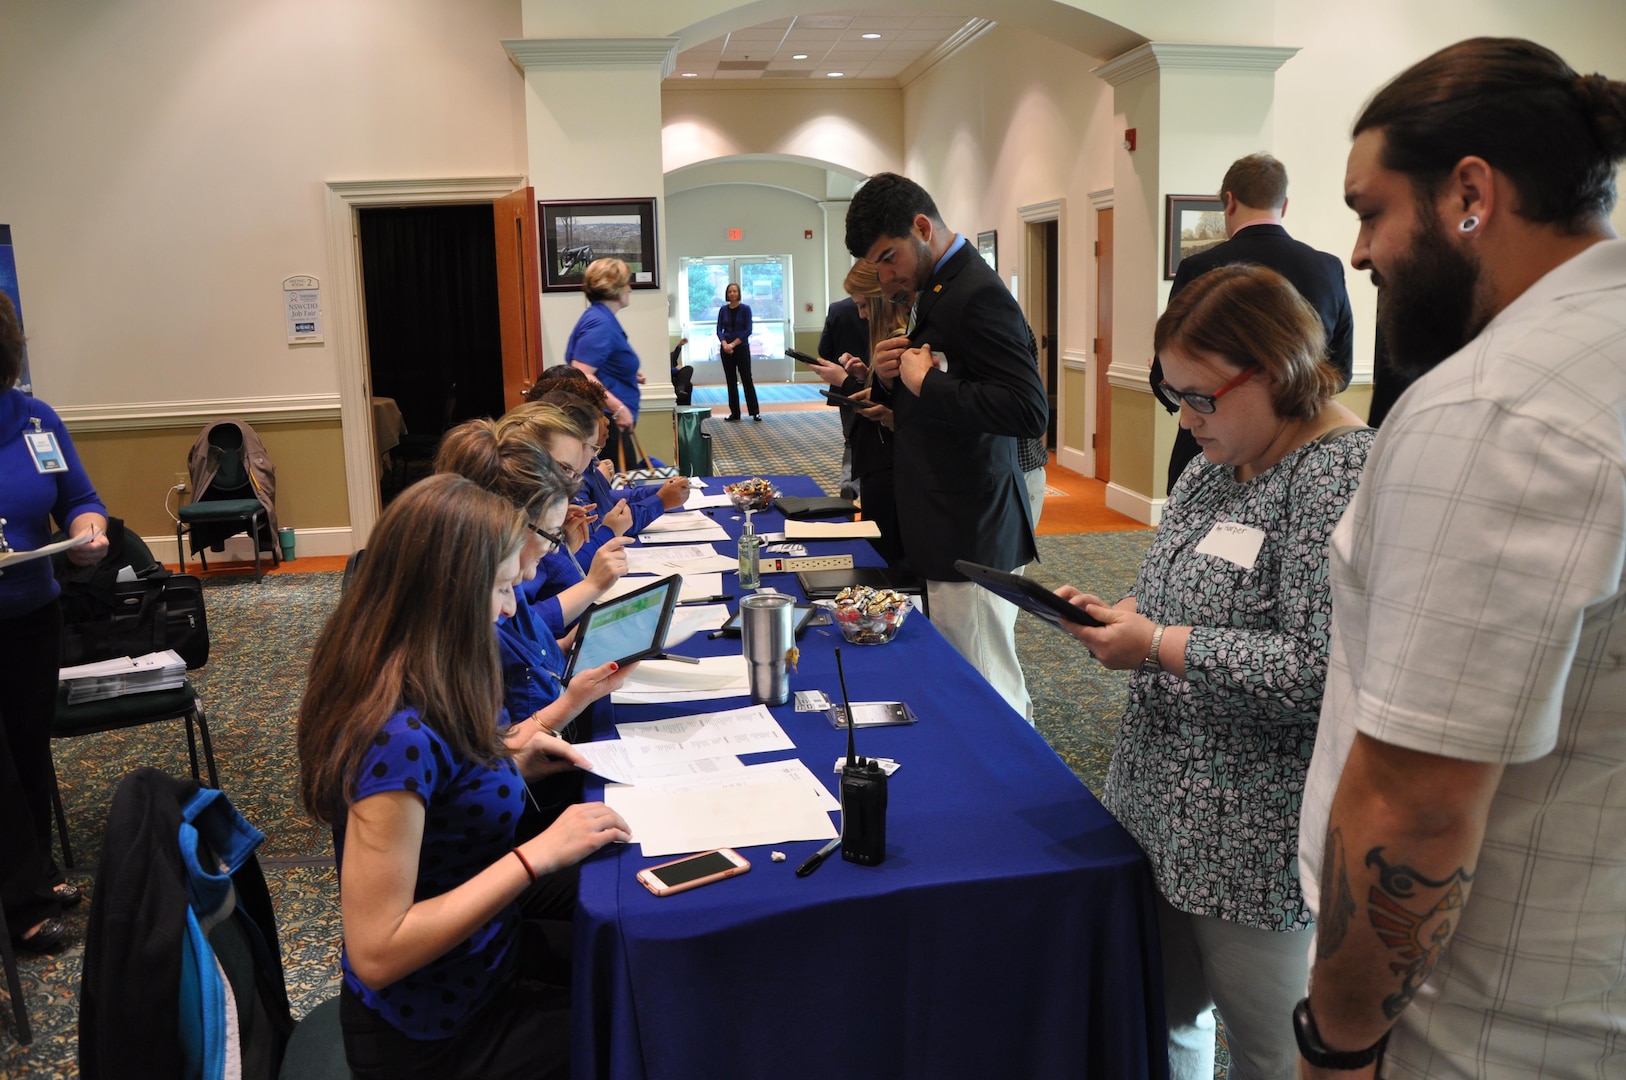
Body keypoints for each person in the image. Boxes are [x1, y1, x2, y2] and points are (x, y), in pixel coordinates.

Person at [1297, 39, 1626, 1080]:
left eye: (1369, 210)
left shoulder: (1494, 409)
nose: (1358, 254)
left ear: (1469, 195)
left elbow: (1416, 803)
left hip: (1473, 1025)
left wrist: (1338, 1045)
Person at [1053, 264, 1371, 1080]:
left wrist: (1157, 643)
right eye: (1173, 396)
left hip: (1252, 835)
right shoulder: (1217, 460)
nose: (1186, 419)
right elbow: (1187, 590)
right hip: (1157, 803)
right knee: (1163, 1021)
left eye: (1200, 396)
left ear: (1275, 369)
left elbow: (1317, 671)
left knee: (1268, 1051)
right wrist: (1123, 614)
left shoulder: (1336, 474)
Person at [297, 474, 631, 1079]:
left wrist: (520, 762)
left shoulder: (432, 675)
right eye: (502, 588)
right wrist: (536, 856)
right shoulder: (393, 735)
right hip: (436, 1031)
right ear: (449, 593)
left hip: (486, 961)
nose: (511, 607)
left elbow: (447, 799)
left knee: (639, 965)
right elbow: (377, 950)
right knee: (646, 1029)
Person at [844, 172, 1048, 719]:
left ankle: (1011, 788)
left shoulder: (976, 292)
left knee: (985, 674)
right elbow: (949, 392)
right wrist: (892, 377)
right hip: (947, 514)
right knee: (967, 665)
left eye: (890, 259)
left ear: (921, 227)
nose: (886, 277)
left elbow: (1028, 411)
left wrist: (925, 383)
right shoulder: (941, 287)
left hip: (973, 521)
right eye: (877, 266)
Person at [0, 291, 105, 954]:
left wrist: (87, 529)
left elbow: (80, 499)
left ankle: (35, 871)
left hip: (32, 614)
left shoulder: (35, 420)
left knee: (27, 747)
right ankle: (20, 902)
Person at [1151, 153, 1355, 493]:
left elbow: (1164, 367)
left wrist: (1193, 389)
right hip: (1302, 447)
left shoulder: (1201, 267)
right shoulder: (1326, 267)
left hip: (1213, 447)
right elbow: (1340, 370)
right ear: (1284, 204)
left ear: (1229, 202)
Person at [808, 261, 909, 565]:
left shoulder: (902, 339)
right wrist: (866, 377)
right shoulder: (888, 340)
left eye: (864, 306)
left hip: (890, 465)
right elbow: (889, 394)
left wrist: (846, 381)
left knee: (887, 558)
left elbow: (900, 406)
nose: (862, 314)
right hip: (879, 463)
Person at [567, 258, 644, 470]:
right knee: (618, 490)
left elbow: (598, 365)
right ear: (613, 288)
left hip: (609, 421)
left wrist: (627, 374)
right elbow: (581, 373)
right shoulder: (600, 322)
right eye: (626, 283)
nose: (630, 288)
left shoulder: (600, 317)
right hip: (607, 423)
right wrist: (619, 409)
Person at [817, 292, 870, 500]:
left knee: (851, 438)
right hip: (879, 380)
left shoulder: (837, 309)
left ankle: (849, 481)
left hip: (845, 382)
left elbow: (824, 349)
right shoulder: (891, 310)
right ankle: (861, 486)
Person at [716, 282, 758, 421]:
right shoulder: (723, 310)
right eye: (729, 292)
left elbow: (748, 330)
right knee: (731, 381)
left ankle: (754, 412)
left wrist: (733, 344)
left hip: (741, 348)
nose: (732, 294)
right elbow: (719, 329)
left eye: (734, 291)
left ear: (739, 293)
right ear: (727, 294)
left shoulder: (746, 309)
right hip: (726, 349)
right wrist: (725, 344)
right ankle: (735, 413)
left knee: (747, 379)